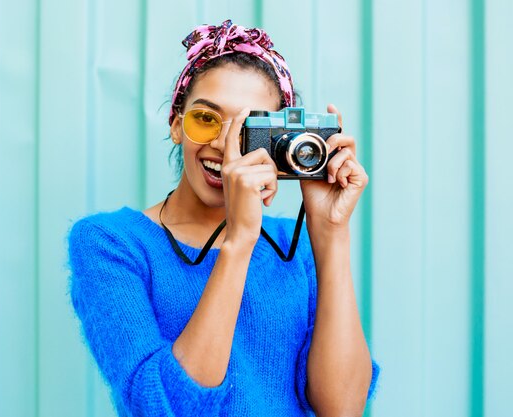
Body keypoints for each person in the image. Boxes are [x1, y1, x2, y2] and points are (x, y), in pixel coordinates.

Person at [67, 19, 379, 417]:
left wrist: (330, 233)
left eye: (248, 129)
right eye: (206, 119)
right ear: (176, 124)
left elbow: (342, 408)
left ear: (279, 143)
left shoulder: (294, 245)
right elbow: (164, 407)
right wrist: (239, 239)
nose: (223, 144)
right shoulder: (110, 244)